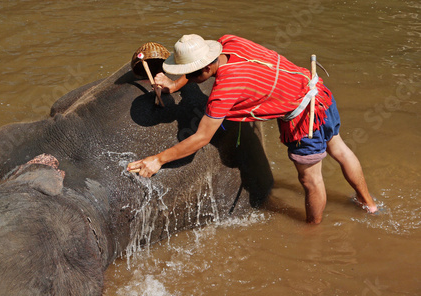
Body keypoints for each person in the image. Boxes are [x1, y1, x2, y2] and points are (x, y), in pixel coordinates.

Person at [127, 34, 378, 224]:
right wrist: (173, 85)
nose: (189, 80)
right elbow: (196, 68)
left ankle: (313, 232)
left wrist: (158, 160)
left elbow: (202, 137)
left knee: (310, 179)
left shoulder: (225, 90)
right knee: (340, 149)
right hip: (316, 90)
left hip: (304, 117)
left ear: (206, 68)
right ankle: (369, 205)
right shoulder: (229, 42)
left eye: (190, 76)